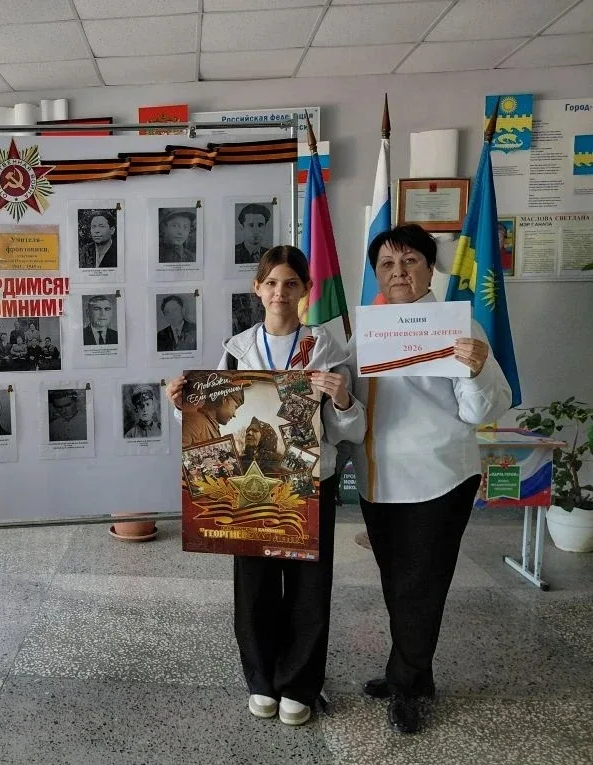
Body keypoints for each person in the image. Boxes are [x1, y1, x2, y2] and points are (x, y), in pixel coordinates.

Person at [167, 245, 366, 728]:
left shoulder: (327, 351)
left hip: (308, 483)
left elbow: (350, 432)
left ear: (306, 290)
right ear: (257, 288)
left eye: (291, 283)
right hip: (248, 485)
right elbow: (214, 419)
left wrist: (342, 401)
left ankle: (299, 683)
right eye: (272, 283)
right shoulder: (237, 350)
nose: (281, 292)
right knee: (253, 586)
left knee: (308, 587)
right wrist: (180, 403)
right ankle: (260, 678)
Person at [350, 224, 511, 734]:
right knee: (397, 582)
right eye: (387, 264)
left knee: (422, 585)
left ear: (428, 268)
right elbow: (347, 401)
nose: (398, 272)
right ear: (377, 274)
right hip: (378, 478)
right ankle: (415, 674)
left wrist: (477, 370)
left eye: (410, 261)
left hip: (439, 477)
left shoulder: (460, 328)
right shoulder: (365, 330)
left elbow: (480, 411)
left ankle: (406, 685)